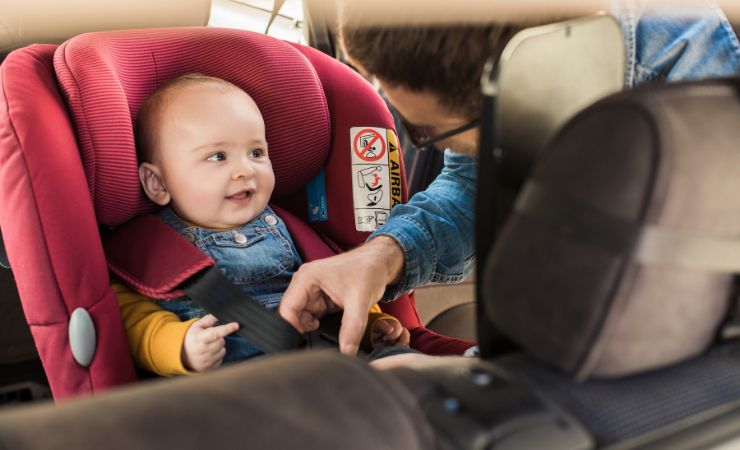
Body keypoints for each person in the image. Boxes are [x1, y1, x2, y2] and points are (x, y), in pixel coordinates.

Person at [278, 1, 740, 355]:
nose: (427, 144)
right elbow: (470, 183)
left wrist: (472, 373)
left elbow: (675, 323)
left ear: (524, 83)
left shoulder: (710, 109)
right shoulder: (518, 57)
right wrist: (382, 255)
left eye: (428, 130)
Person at [113, 74, 410, 375]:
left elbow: (337, 283)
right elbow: (134, 322)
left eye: (256, 153)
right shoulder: (149, 249)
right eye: (218, 156)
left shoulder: (293, 227)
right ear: (158, 182)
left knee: (407, 368)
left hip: (327, 363)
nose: (245, 170)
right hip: (240, 385)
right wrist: (180, 347)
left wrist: (371, 325)